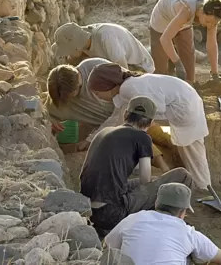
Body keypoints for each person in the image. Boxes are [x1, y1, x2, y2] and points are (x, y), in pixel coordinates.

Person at [79, 96, 194, 236]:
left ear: (125, 114)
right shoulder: (142, 137)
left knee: (150, 181)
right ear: (151, 122)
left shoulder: (104, 132)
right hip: (113, 213)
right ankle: (170, 224)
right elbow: (145, 180)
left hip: (88, 210)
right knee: (182, 175)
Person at [87, 62, 212, 190]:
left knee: (192, 151)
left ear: (107, 85)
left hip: (185, 106)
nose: (99, 98)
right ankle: (197, 185)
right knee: (188, 149)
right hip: (185, 99)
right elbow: (117, 118)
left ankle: (204, 189)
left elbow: (156, 107)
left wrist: (141, 131)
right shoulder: (126, 86)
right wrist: (93, 138)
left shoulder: (128, 88)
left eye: (97, 93)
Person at [46, 58, 169, 169]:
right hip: (102, 128)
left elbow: (126, 87)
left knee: (163, 140)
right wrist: (52, 122)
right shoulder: (61, 98)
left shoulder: (95, 68)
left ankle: (168, 165)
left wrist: (91, 139)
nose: (71, 100)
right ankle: (161, 168)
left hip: (127, 112)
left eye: (71, 95)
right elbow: (45, 112)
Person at [105, 182, 221, 265]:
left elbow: (107, 245)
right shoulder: (188, 233)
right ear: (183, 212)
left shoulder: (133, 219)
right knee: (191, 257)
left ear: (156, 203)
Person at [149, 0, 221, 84]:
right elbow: (165, 39)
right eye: (207, 22)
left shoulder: (213, 13)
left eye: (213, 23)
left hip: (182, 23)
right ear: (201, 11)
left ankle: (187, 87)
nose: (209, 25)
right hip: (162, 18)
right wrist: (178, 63)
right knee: (162, 70)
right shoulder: (186, 10)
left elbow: (212, 44)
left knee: (188, 67)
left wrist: (215, 73)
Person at [51, 22, 155, 73]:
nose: (68, 56)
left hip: (136, 67)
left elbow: (124, 72)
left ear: (76, 47)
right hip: (112, 64)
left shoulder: (106, 37)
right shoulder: (83, 35)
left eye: (69, 51)